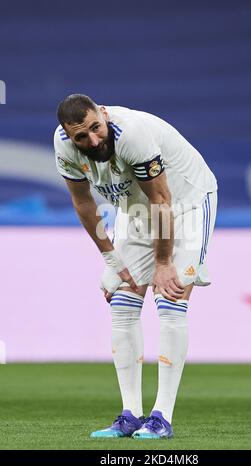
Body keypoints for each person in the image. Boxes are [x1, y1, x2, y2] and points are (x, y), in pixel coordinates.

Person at [54, 94, 218, 439]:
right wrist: (112, 258)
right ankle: (130, 415)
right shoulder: (64, 148)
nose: (93, 140)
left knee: (170, 298)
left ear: (103, 114)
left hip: (185, 203)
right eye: (82, 136)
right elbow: (83, 204)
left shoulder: (133, 134)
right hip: (134, 211)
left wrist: (162, 264)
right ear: (69, 135)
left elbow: (162, 200)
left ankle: (162, 418)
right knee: (122, 302)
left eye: (96, 128)